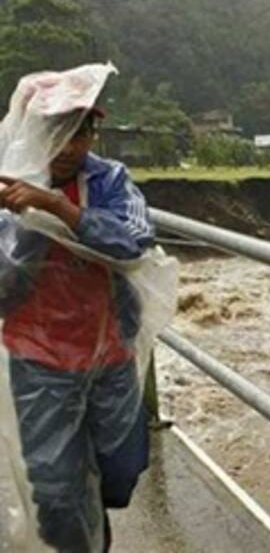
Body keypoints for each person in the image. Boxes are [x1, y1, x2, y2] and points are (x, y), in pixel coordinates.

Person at [0, 105, 154, 552]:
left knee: (121, 471)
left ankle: (92, 511)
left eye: (79, 135)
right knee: (54, 492)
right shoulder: (9, 182)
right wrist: (27, 222)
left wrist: (58, 208)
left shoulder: (110, 180)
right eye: (57, 135)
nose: (68, 148)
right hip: (39, 358)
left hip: (111, 354)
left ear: (92, 136)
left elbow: (134, 242)